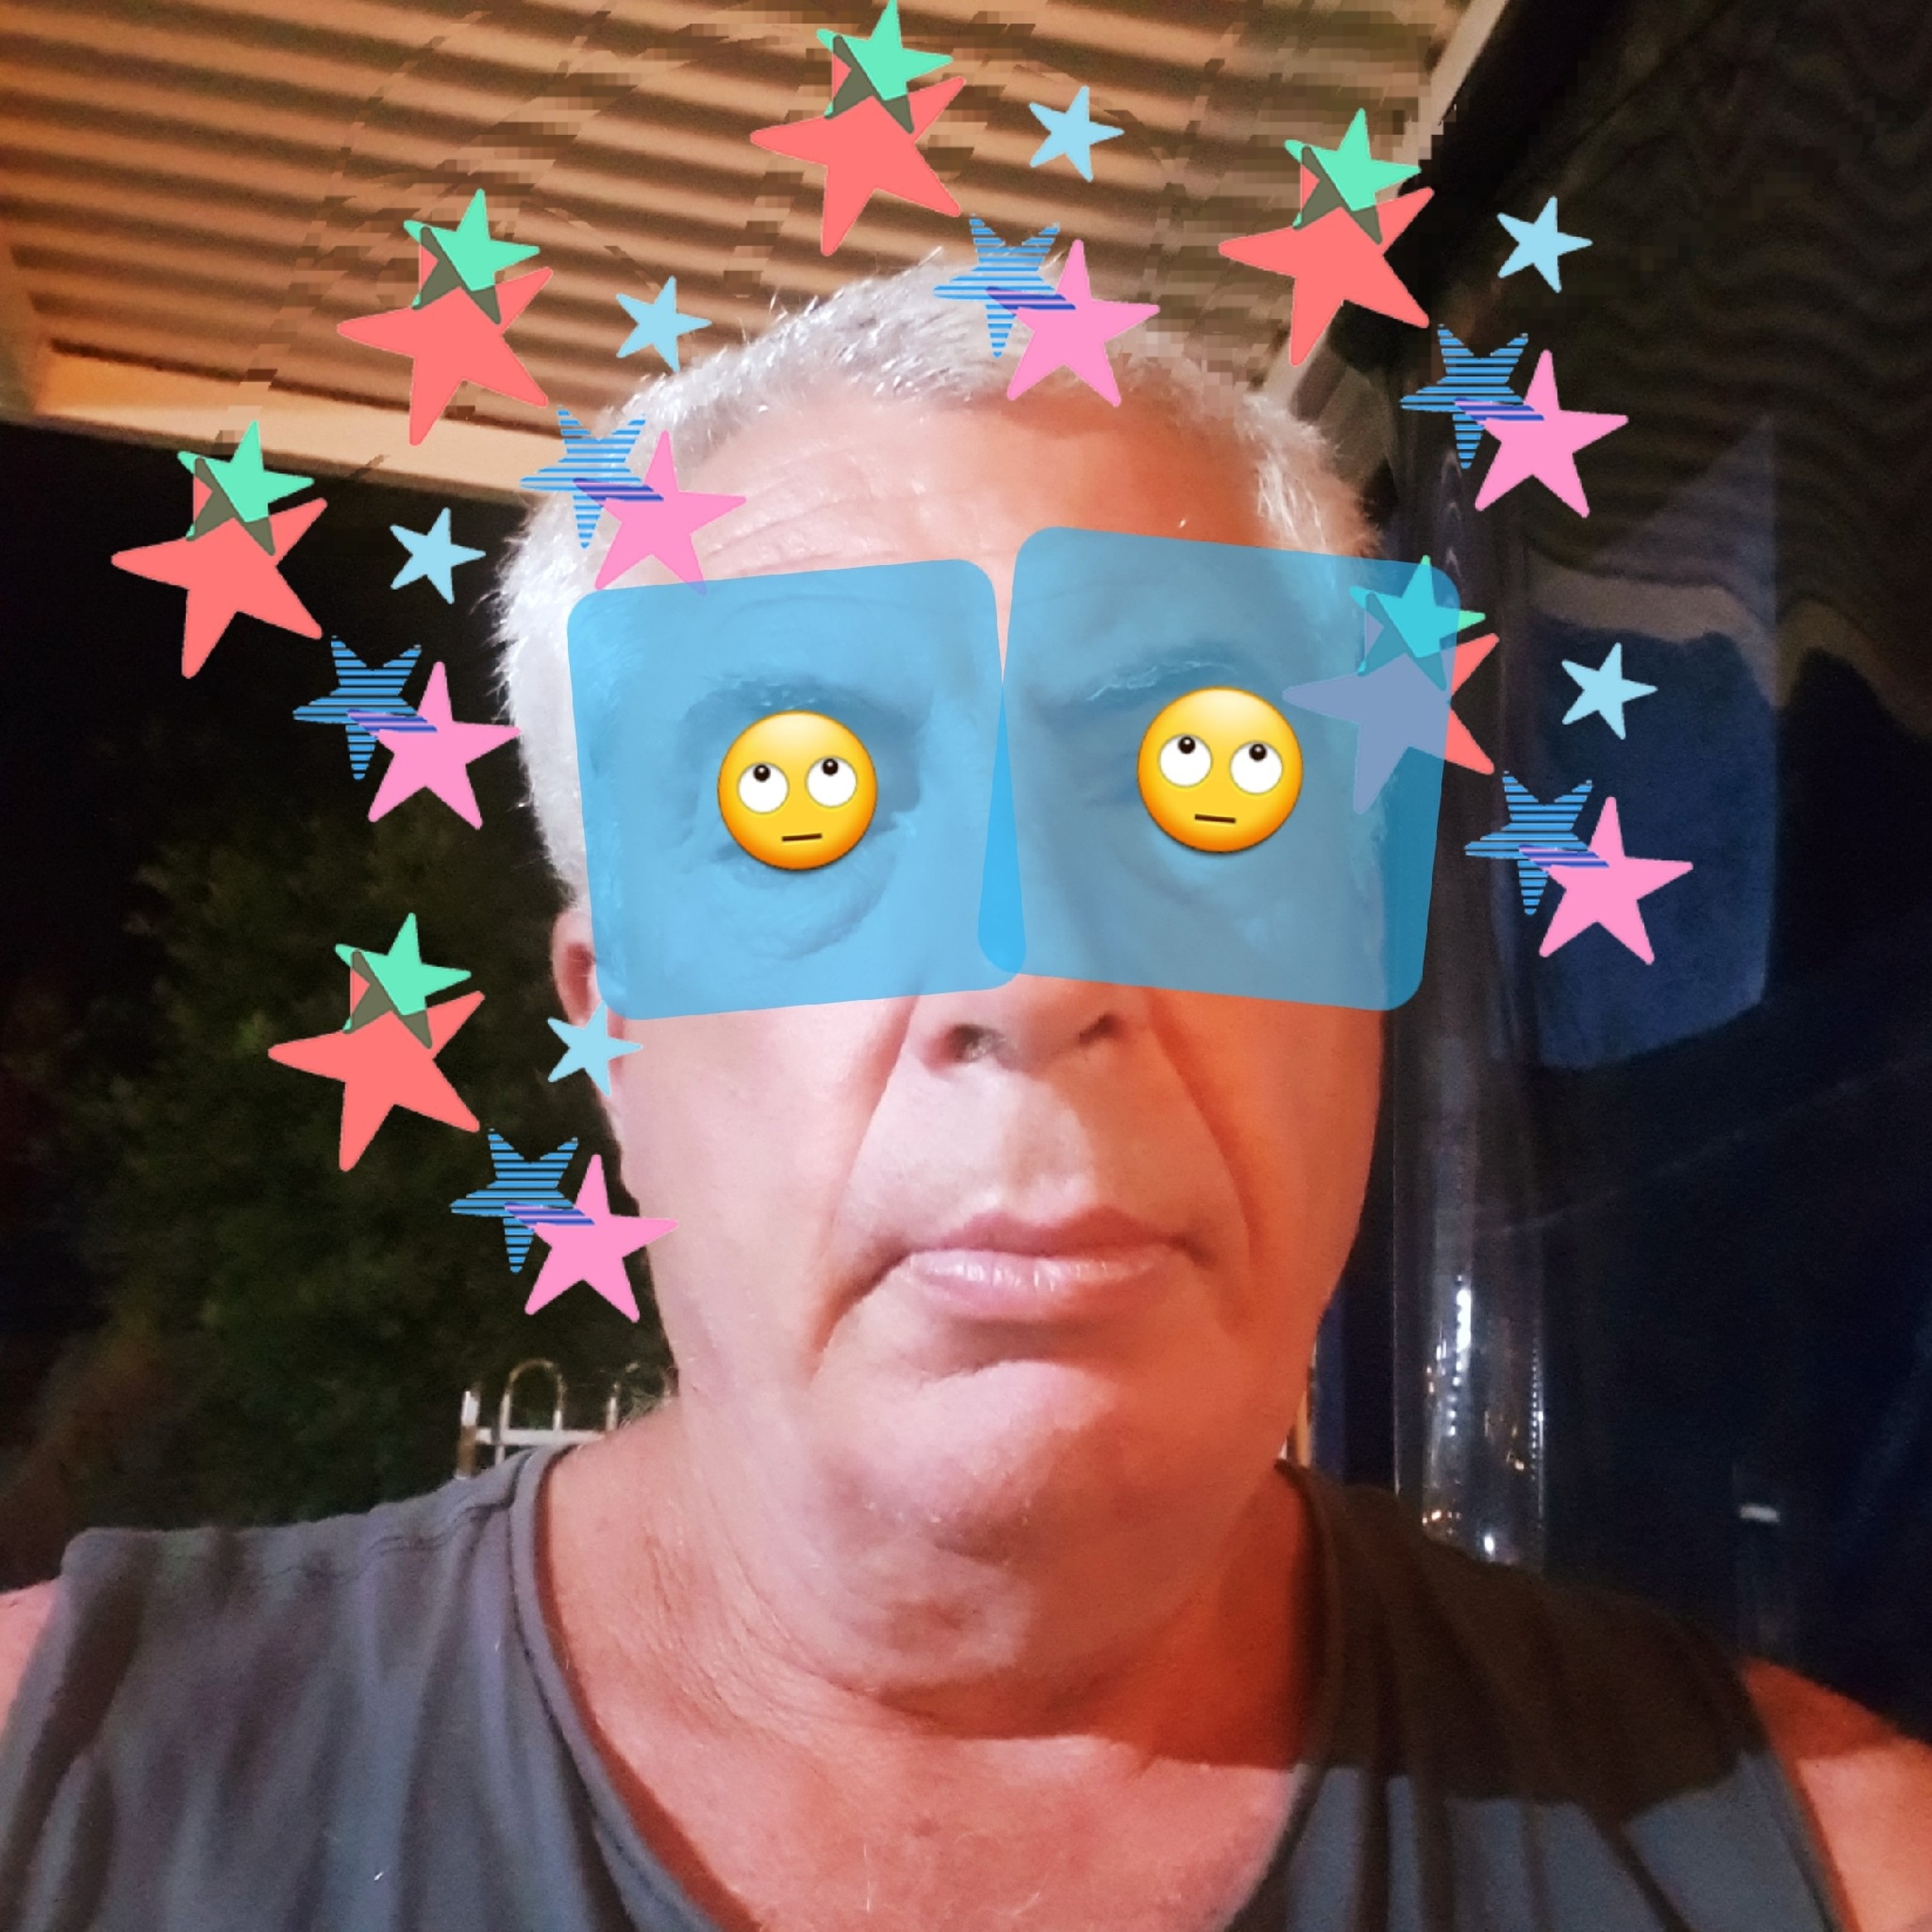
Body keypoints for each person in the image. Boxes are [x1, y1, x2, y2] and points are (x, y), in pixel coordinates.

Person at [1, 271, 1927, 1932]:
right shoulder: (58, 1790)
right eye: (804, 803)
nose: (1029, 975)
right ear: (616, 1034)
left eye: (1206, 786)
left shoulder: (1849, 1869)